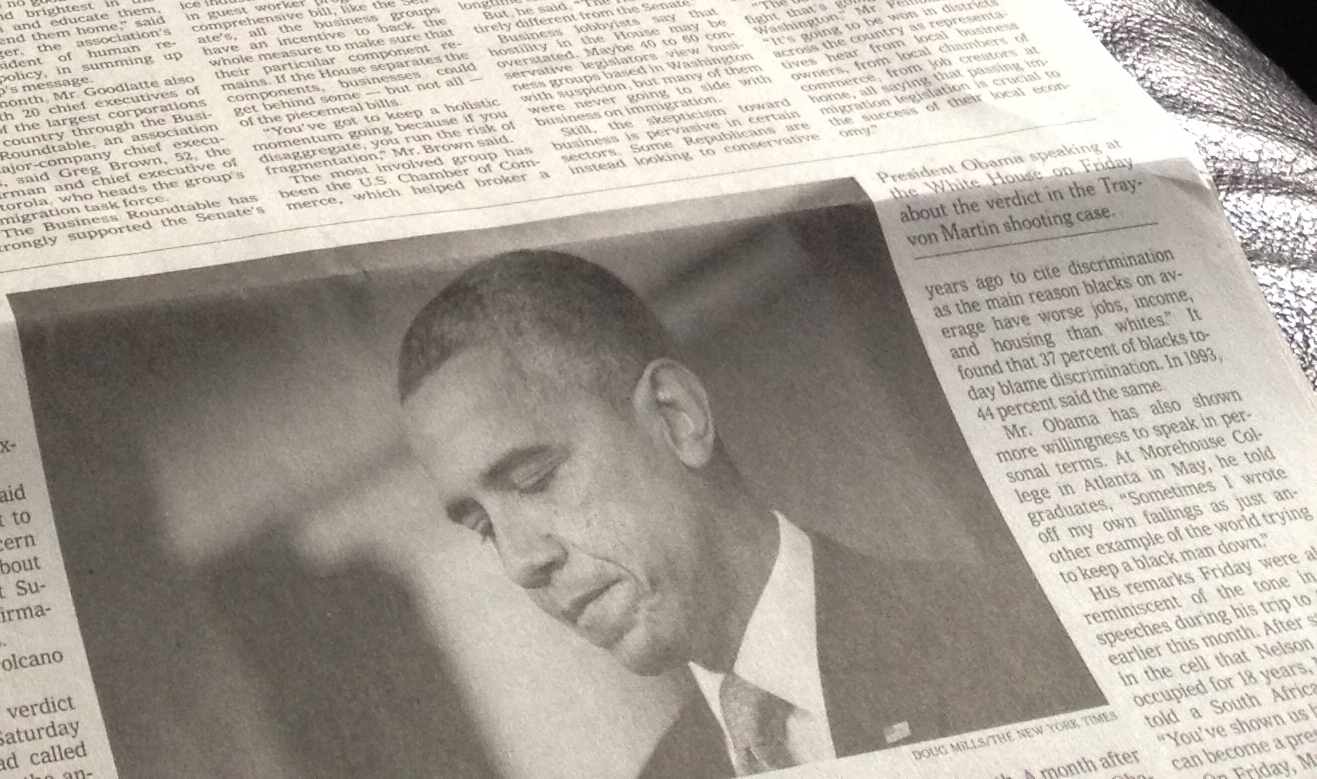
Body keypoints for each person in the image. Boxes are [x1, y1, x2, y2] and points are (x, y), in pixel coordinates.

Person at [396, 249, 1102, 770]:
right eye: (484, 528)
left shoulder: (1027, 641)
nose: (521, 562)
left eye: (535, 478)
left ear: (676, 416)